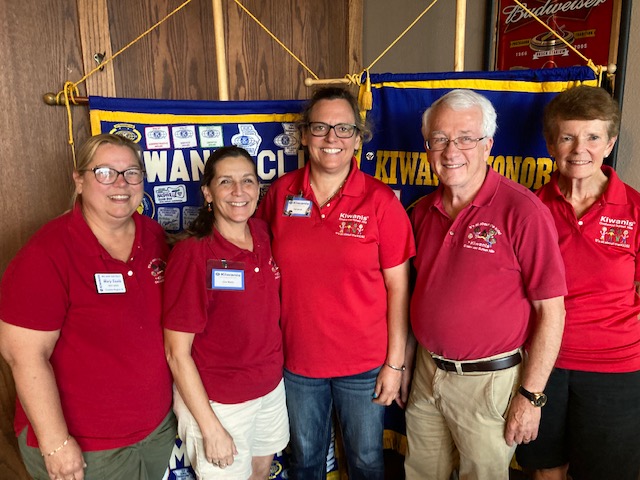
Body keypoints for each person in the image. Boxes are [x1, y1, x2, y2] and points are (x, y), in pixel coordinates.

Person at [404, 89, 567, 480]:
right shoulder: (421, 211)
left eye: (465, 138)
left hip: (489, 384)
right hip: (428, 375)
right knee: (420, 473)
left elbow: (552, 311)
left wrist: (531, 398)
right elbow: (414, 295)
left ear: (489, 145)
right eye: (439, 139)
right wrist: (407, 364)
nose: (451, 150)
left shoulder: (523, 210)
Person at [256, 87, 415, 480]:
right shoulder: (280, 193)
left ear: (359, 137)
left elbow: (399, 289)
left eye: (344, 128)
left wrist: (395, 363)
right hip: (297, 362)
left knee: (365, 462)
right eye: (322, 127)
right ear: (305, 134)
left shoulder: (380, 202)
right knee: (305, 461)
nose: (332, 139)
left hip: (364, 365)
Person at [0, 133, 176, 480]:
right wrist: (56, 444)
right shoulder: (47, 253)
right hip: (86, 448)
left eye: (132, 173)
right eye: (105, 172)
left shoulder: (153, 236)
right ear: (79, 180)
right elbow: (23, 355)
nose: (121, 184)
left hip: (154, 433)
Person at [515, 86, 640, 480]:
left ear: (610, 143)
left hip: (617, 370)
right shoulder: (531, 208)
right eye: (567, 137)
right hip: (543, 368)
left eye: (593, 137)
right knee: (545, 470)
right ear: (551, 144)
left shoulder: (636, 209)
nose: (579, 148)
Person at [163, 146, 289, 480]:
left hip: (270, 390)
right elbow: (177, 354)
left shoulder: (263, 234)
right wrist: (210, 428)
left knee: (260, 473)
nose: (238, 192)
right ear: (207, 191)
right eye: (225, 182)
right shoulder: (193, 254)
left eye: (247, 181)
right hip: (221, 404)